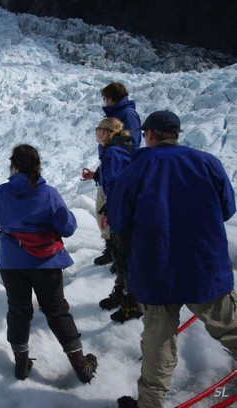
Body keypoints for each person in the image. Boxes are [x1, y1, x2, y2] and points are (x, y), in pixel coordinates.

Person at [108, 111, 237, 408]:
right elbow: (227, 209)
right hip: (204, 266)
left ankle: (151, 403)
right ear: (175, 133)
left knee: (158, 340)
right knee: (230, 326)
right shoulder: (208, 163)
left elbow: (118, 220)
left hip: (156, 271)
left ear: (150, 134)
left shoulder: (136, 169)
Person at [0, 144, 98, 384]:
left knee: (18, 310)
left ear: (13, 165)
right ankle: (80, 365)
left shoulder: (1, 193)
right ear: (38, 165)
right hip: (46, 262)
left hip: (12, 262)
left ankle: (21, 364)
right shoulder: (49, 194)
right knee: (56, 310)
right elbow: (68, 227)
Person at [82, 82, 141, 266]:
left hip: (119, 175)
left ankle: (118, 254)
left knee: (112, 213)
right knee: (105, 212)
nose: (104, 102)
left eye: (105, 98)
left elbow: (129, 148)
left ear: (112, 98)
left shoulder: (127, 115)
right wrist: (98, 174)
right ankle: (113, 250)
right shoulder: (118, 117)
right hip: (111, 170)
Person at [92, 117, 143, 323]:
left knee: (124, 258)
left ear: (106, 132)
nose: (96, 132)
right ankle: (123, 295)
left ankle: (132, 304)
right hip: (128, 210)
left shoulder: (112, 153)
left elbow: (115, 186)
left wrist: (108, 211)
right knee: (123, 257)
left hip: (122, 213)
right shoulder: (123, 149)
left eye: (99, 129)